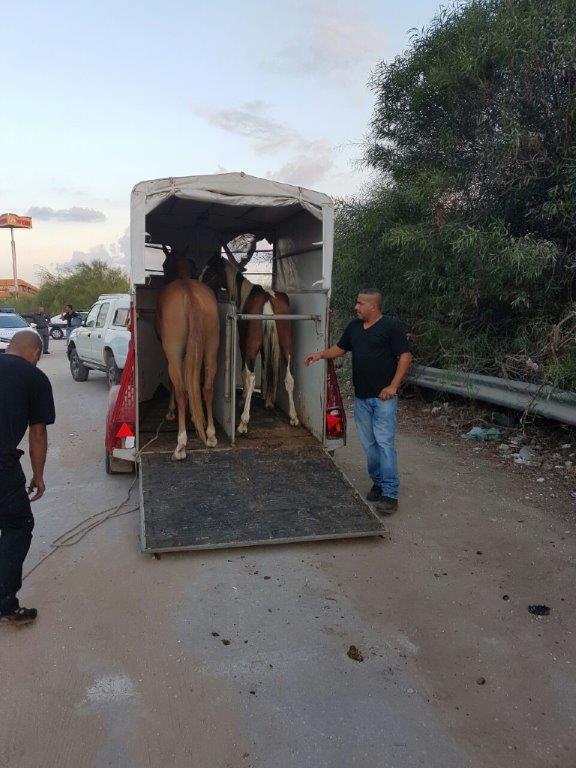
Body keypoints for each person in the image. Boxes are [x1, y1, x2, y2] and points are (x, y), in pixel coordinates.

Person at [305, 289, 413, 512]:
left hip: (383, 399)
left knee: (384, 444)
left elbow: (405, 355)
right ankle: (378, 483)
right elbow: (341, 348)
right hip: (362, 397)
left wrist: (393, 386)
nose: (356, 307)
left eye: (360, 303)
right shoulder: (354, 327)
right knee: (370, 445)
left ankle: (390, 495)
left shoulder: (390, 327)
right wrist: (320, 355)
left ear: (373, 306)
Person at [0, 330, 55, 625]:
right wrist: (38, 475)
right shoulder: (34, 378)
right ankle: (5, 603)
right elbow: (37, 433)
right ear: (35, 354)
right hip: (2, 465)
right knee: (18, 525)